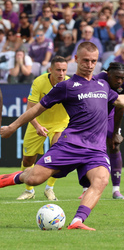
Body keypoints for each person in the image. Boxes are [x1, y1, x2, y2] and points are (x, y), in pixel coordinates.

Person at [0, 42, 124, 231]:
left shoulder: (102, 84)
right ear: (76, 59)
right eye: (85, 60)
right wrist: (12, 127)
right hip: (70, 145)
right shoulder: (66, 86)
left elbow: (119, 100)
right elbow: (36, 108)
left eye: (93, 61)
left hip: (95, 149)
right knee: (33, 179)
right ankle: (5, 179)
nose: (90, 64)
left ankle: (77, 220)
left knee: (101, 179)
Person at [15, 56, 69, 200]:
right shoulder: (39, 82)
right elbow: (30, 109)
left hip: (61, 123)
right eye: (58, 70)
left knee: (58, 149)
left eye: (64, 70)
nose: (61, 73)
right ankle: (29, 191)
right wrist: (38, 126)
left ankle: (49, 188)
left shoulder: (70, 83)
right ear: (50, 69)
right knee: (27, 160)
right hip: (37, 122)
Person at [79, 62, 124, 200]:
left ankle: (116, 190)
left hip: (111, 112)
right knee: (87, 147)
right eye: (116, 77)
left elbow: (121, 107)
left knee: (114, 146)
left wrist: (115, 132)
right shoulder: (98, 79)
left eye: (122, 77)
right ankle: (86, 188)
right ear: (108, 74)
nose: (120, 81)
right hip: (95, 112)